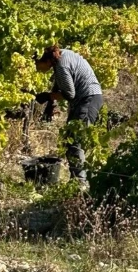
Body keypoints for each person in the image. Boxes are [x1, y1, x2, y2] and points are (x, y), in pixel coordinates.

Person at [34, 45, 103, 186]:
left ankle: (80, 185)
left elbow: (69, 94)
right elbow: (61, 84)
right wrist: (50, 103)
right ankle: (78, 181)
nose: (36, 67)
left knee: (75, 142)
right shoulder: (62, 55)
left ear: (45, 61)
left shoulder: (61, 65)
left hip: (87, 100)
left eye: (37, 63)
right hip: (90, 97)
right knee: (71, 140)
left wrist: (47, 96)